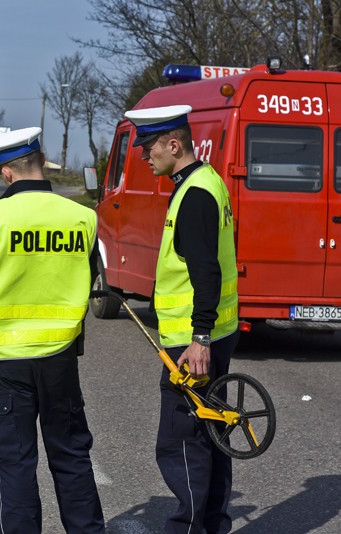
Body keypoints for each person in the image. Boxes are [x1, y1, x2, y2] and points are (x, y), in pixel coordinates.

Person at [0, 127, 105, 534]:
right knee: (71, 457)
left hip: (6, 362)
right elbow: (86, 280)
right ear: (40, 163)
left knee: (15, 464)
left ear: (6, 173)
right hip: (60, 358)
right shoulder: (82, 217)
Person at [124, 104, 239, 534]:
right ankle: (213, 526)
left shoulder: (193, 194)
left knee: (182, 443)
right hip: (217, 332)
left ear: (174, 145)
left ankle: (187, 529)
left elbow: (205, 271)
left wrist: (200, 339)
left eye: (149, 147)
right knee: (213, 434)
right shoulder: (209, 181)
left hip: (194, 343)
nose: (143, 155)